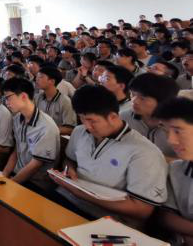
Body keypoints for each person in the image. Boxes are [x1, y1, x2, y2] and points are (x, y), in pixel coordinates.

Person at [51, 85, 167, 226]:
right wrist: (69, 169)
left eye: (92, 120)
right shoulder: (79, 132)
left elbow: (142, 210)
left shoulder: (145, 152)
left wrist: (79, 193)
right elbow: (70, 159)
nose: (87, 126)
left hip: (104, 219)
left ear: (112, 117)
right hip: (65, 198)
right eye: (82, 118)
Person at [1, 77, 60, 192]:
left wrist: (11, 183)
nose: (6, 103)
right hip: (18, 174)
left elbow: (35, 165)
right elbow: (16, 151)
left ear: (23, 96)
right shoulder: (18, 118)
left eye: (8, 98)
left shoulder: (46, 127)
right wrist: (4, 175)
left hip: (37, 183)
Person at [153, 98, 193, 245]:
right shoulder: (176, 169)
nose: (170, 140)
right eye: (165, 130)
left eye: (177, 131)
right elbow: (166, 216)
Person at [120, 73, 179, 158]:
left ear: (164, 101)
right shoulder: (123, 118)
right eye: (133, 94)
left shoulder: (182, 124)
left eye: (142, 98)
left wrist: (153, 159)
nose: (134, 101)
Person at [34, 66, 76, 135]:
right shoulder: (37, 98)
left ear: (52, 81)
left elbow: (70, 128)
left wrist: (46, 130)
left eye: (41, 77)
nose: (36, 80)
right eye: (37, 77)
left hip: (56, 138)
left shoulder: (65, 101)